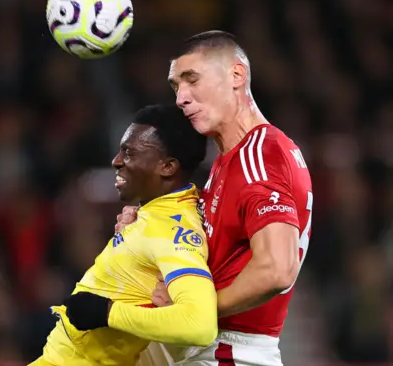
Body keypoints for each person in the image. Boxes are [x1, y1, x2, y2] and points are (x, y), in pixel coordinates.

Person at [110, 31, 313, 366]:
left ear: (236, 75)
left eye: (192, 80)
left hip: (229, 352)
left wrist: (194, 310)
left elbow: (277, 269)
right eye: (176, 86)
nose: (181, 98)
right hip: (212, 349)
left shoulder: (260, 155)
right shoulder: (229, 161)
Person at [28, 104, 216, 366]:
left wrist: (107, 313)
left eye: (129, 153)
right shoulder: (151, 214)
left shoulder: (170, 229)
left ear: (167, 167)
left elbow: (199, 325)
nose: (116, 160)